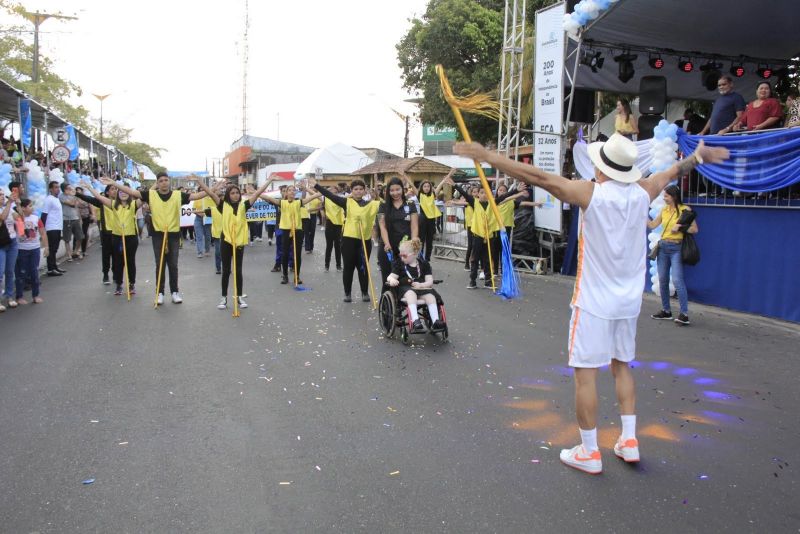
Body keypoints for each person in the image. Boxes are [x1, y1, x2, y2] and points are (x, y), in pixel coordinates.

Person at [453, 133, 729, 475]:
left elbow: (540, 178)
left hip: (593, 303)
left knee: (585, 376)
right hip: (627, 304)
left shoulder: (592, 193)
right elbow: (671, 172)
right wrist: (697, 159)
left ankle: (589, 450)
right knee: (622, 366)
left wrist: (486, 155)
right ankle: (629, 439)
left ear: (602, 167)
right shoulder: (644, 191)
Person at [108, 172, 213, 305]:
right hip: (158, 234)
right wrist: (114, 183)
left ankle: (175, 292)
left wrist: (200, 182)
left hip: (173, 234)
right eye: (161, 181)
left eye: (166, 180)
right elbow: (130, 191)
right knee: (160, 264)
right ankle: (160, 293)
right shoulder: (150, 195)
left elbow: (199, 195)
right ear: (157, 183)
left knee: (173, 265)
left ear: (169, 182)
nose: (164, 182)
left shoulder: (178, 195)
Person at [311, 177, 381, 302]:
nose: (358, 191)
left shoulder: (371, 204)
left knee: (363, 267)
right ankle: (347, 292)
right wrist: (317, 185)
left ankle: (364, 292)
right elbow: (330, 195)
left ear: (364, 191)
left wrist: (378, 196)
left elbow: (387, 206)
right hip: (349, 239)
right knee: (348, 267)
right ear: (352, 191)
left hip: (364, 239)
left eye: (361, 189)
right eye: (356, 189)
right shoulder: (346, 202)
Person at [205, 178, 271, 309]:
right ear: (228, 195)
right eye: (232, 193)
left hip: (239, 241)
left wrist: (269, 180)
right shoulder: (223, 205)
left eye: (237, 192)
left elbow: (257, 194)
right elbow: (211, 194)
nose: (235, 195)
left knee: (238, 270)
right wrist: (200, 182)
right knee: (226, 270)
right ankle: (224, 298)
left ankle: (239, 297)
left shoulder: (244, 205)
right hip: (226, 240)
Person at [444, 177, 514, 289]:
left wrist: (516, 190)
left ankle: (488, 281)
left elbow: (504, 196)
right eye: (482, 193)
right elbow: (465, 194)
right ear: (478, 195)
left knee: (487, 259)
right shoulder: (474, 202)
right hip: (477, 236)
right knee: (475, 259)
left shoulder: (493, 203)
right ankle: (472, 280)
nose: (484, 195)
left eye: (487, 193)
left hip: (489, 236)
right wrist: (455, 185)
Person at [648, 185, 699, 325]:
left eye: (666, 196)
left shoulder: (685, 210)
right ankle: (666, 310)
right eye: (664, 196)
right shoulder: (664, 211)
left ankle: (684, 313)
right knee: (663, 279)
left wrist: (681, 228)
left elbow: (695, 229)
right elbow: (652, 225)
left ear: (674, 196)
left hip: (677, 247)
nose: (664, 198)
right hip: (663, 246)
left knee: (677, 280)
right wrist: (640, 215)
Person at [81, 180, 141, 296]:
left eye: (125, 191)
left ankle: (132, 284)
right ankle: (119, 284)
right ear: (118, 194)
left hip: (131, 237)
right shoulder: (113, 204)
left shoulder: (134, 204)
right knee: (118, 262)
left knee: (130, 261)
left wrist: (156, 185)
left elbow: (146, 195)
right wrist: (89, 187)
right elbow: (98, 197)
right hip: (117, 237)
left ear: (129, 194)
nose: (123, 193)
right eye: (120, 191)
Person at [258, 179, 321, 285]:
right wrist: (256, 193)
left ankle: (297, 276)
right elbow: (267, 197)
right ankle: (285, 276)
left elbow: (315, 196)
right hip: (286, 230)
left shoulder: (299, 202)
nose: (292, 192)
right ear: (286, 193)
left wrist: (311, 188)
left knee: (297, 254)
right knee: (285, 253)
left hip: (297, 230)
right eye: (290, 190)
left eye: (293, 190)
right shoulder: (282, 203)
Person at [386, 238, 445, 332]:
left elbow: (430, 281)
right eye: (400, 255)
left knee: (430, 296)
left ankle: (435, 321)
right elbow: (390, 277)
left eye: (404, 256)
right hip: (405, 289)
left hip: (421, 288)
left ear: (414, 254)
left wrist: (421, 285)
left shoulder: (424, 264)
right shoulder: (400, 264)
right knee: (410, 293)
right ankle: (415, 320)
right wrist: (392, 280)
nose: (402, 258)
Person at [377, 177, 419, 284]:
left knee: (406, 280)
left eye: (397, 189)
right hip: (387, 248)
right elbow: (382, 226)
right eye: (392, 190)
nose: (395, 193)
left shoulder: (410, 204)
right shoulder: (383, 205)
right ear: (388, 191)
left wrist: (414, 241)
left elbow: (414, 226)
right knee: (388, 280)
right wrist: (387, 244)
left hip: (405, 249)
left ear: (403, 189)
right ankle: (386, 300)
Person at [75, 181, 117, 284]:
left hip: (118, 233)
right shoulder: (102, 202)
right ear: (107, 192)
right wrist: (77, 194)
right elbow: (90, 199)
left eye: (116, 189)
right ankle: (106, 275)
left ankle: (116, 273)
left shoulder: (120, 202)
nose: (115, 191)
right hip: (106, 232)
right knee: (106, 255)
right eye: (112, 189)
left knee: (117, 255)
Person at [405, 175, 446, 261]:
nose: (426, 188)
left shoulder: (433, 194)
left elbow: (441, 184)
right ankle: (420, 259)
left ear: (430, 187)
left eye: (428, 186)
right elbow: (411, 184)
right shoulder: (419, 195)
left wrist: (449, 174)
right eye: (425, 186)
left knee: (430, 242)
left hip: (431, 222)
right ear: (422, 187)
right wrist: (404, 175)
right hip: (422, 220)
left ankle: (427, 260)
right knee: (421, 241)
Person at [13, 199, 46, 305]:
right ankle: (19, 296)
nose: (32, 208)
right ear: (23, 208)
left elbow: (43, 232)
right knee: (21, 273)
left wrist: (46, 247)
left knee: (34, 272)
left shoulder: (36, 218)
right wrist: (18, 205)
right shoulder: (17, 218)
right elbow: (22, 231)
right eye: (30, 206)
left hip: (35, 249)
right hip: (22, 249)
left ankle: (35, 295)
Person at [0, 188, 21, 309]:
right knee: (0, 273)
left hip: (12, 241)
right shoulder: (5, 208)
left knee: (10, 271)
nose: (2, 197)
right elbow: (2, 219)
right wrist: (9, 203)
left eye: (3, 194)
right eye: (0, 195)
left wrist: (17, 205)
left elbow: (20, 218)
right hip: (1, 244)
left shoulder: (7, 207)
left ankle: (9, 296)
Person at [40, 181, 66, 276]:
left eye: (58, 187)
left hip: (57, 226)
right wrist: (42, 229)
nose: (57, 189)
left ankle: (54, 266)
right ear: (50, 189)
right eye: (55, 187)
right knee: (51, 248)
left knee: (55, 248)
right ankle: (50, 269)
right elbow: (44, 215)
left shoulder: (56, 199)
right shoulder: (49, 199)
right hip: (51, 227)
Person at [321, 184, 344, 272]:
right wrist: (306, 188)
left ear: (337, 192)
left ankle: (338, 266)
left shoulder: (340, 200)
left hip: (339, 225)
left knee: (338, 246)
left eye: (335, 190)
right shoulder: (325, 198)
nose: (333, 191)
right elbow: (314, 194)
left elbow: (352, 195)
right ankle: (327, 266)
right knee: (329, 246)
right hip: (330, 224)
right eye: (331, 190)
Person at [59, 184, 84, 262]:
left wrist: (80, 218)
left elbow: (79, 205)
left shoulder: (72, 196)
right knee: (67, 239)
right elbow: (72, 204)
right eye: (68, 188)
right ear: (64, 189)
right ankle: (69, 255)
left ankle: (75, 251)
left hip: (75, 218)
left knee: (80, 237)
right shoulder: (61, 196)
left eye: (70, 188)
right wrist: (75, 197)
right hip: (67, 219)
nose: (70, 189)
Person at [74, 186, 92, 259]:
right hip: (78, 219)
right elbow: (76, 209)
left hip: (86, 217)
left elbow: (90, 206)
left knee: (85, 234)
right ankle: (76, 251)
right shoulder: (75, 199)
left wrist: (92, 214)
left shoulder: (85, 198)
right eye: (77, 191)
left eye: (80, 191)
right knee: (79, 235)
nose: (79, 192)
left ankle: (83, 251)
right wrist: (80, 218)